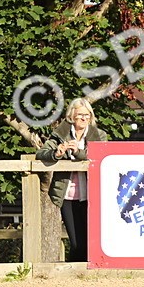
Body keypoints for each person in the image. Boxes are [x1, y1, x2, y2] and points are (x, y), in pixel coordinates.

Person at [36, 98, 107, 262]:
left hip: (92, 195)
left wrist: (77, 152)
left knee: (92, 242)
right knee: (76, 243)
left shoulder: (99, 135)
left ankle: (87, 273)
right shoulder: (61, 134)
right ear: (71, 116)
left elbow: (99, 155)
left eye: (87, 115)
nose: (84, 118)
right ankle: (73, 272)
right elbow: (41, 153)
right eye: (80, 114)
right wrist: (56, 153)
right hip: (68, 195)